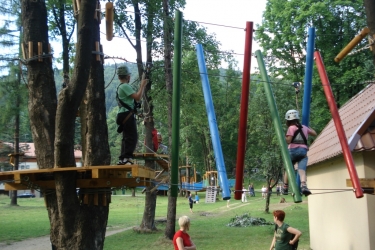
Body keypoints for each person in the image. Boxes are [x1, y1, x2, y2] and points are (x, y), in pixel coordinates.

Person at [116, 65, 147, 165]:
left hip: (124, 114)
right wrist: (142, 85)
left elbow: (130, 103)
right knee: (132, 137)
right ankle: (126, 158)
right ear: (127, 76)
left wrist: (137, 113)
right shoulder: (125, 86)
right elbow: (138, 97)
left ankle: (123, 159)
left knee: (127, 137)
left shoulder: (121, 87)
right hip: (126, 114)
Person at [283, 110, 317, 196]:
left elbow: (289, 141)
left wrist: (284, 137)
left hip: (293, 151)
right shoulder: (305, 128)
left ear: (288, 120)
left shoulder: (291, 128)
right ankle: (304, 186)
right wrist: (307, 126)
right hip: (303, 152)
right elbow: (314, 133)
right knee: (302, 170)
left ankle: (285, 187)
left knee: (288, 168)